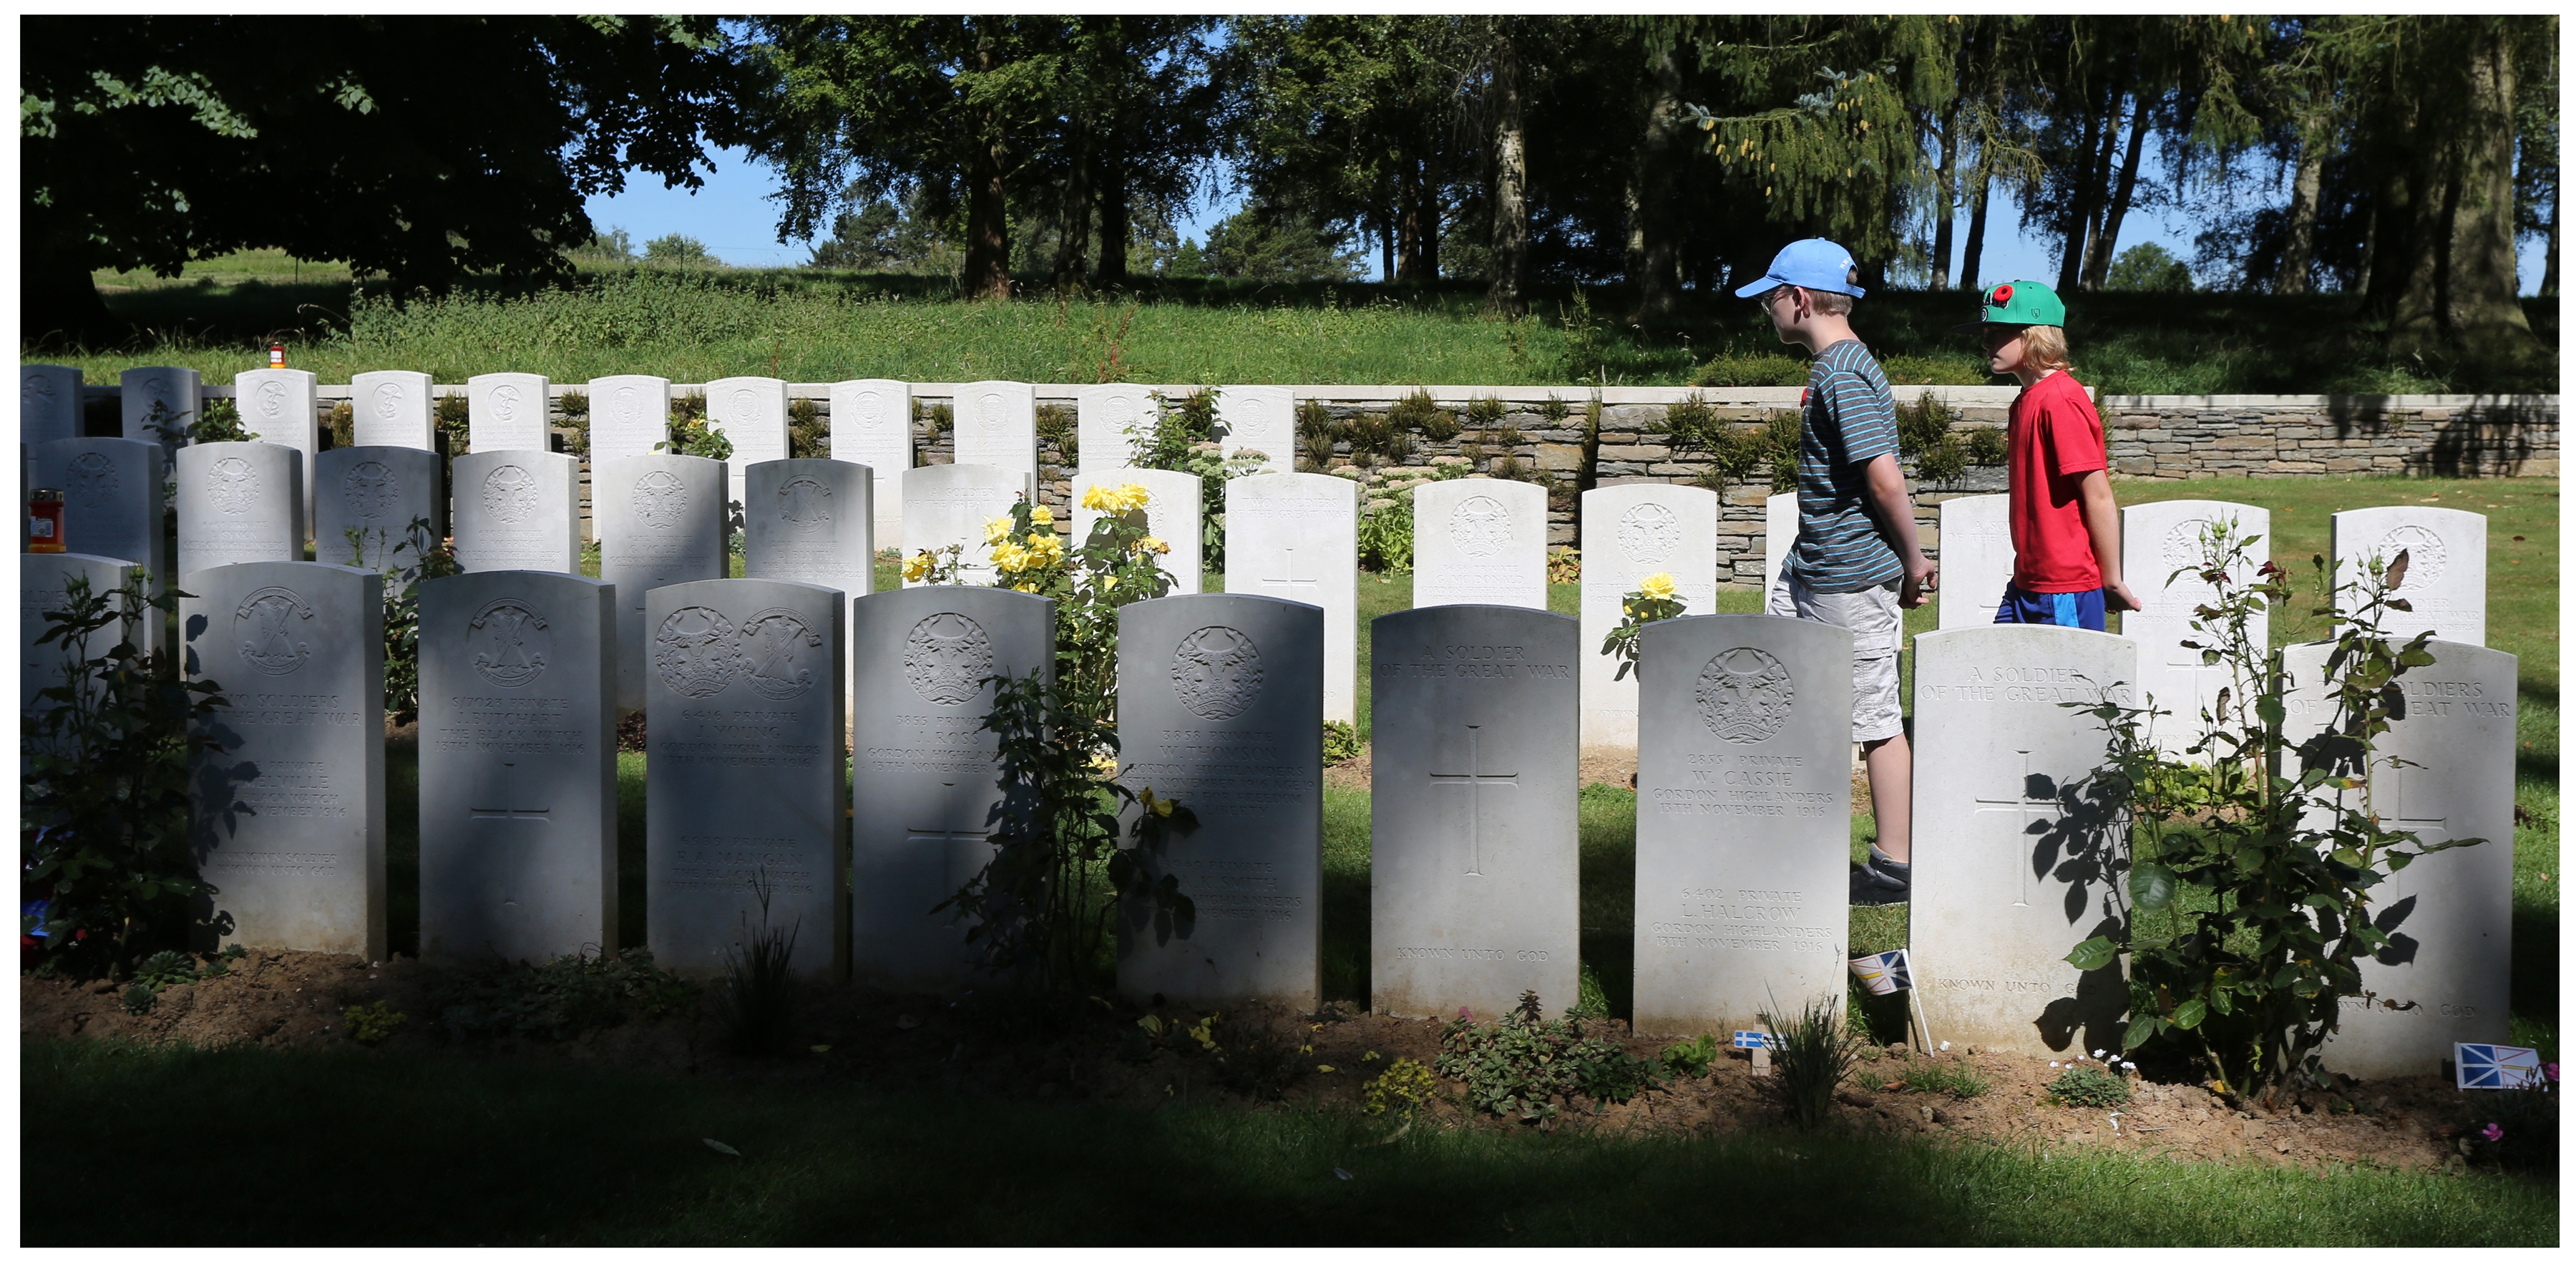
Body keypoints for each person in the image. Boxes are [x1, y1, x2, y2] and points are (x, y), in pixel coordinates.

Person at [1736, 239, 1936, 907]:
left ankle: (1894, 863)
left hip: (1851, 579)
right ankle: (1796, 835)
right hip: (1813, 568)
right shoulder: (1835, 369)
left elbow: (1883, 480)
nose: (1767, 310)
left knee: (1874, 715)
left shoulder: (1844, 375)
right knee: (1790, 696)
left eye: (1771, 297)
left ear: (1798, 299)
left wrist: (1913, 560)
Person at [1963, 281, 2141, 629]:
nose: (1986, 342)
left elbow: (2099, 494)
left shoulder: (2060, 400)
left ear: (2033, 337)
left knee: (2068, 683)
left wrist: (2112, 579)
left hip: (2064, 586)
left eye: (1998, 332)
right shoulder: (2025, 400)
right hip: (2028, 579)